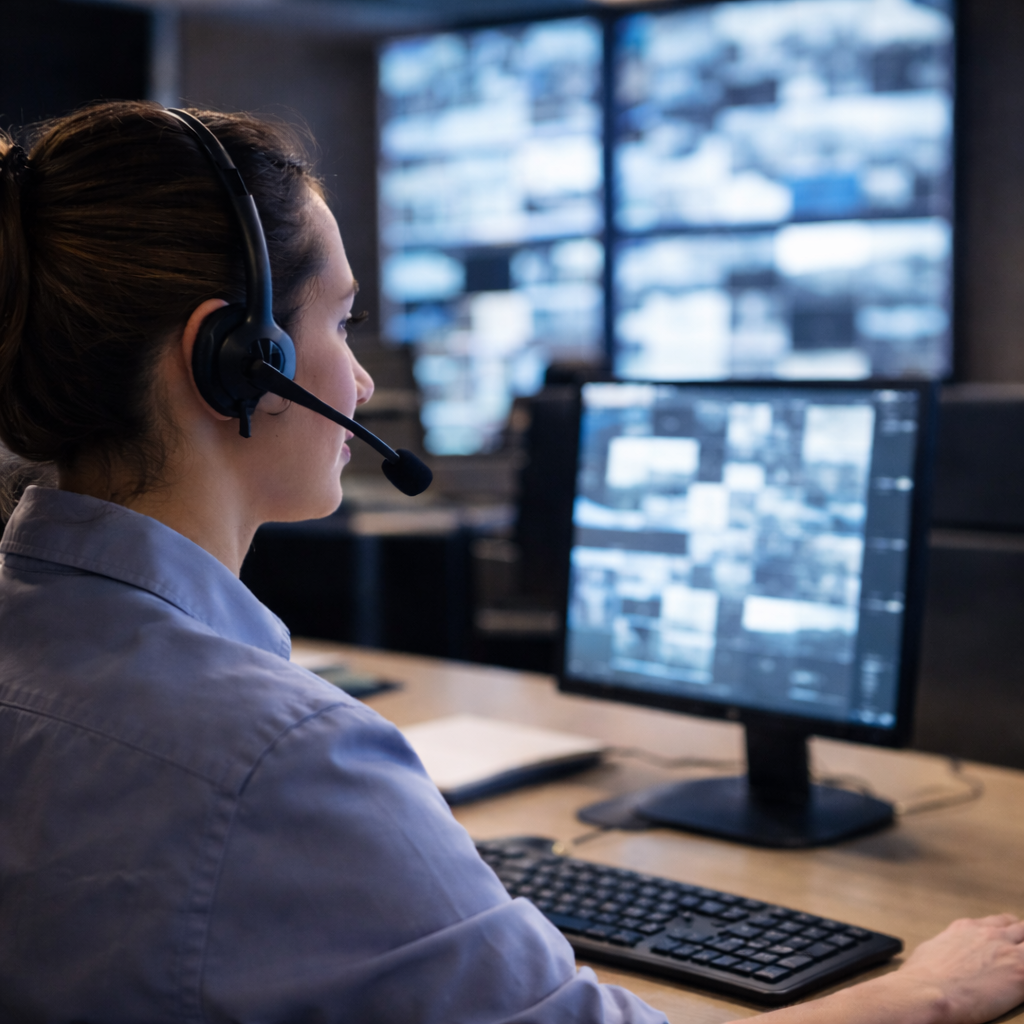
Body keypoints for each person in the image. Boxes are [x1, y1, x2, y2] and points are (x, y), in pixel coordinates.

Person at [0, 101, 1020, 1024]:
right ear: (234, 357)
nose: (357, 378)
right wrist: (922, 996)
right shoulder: (279, 756)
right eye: (341, 320)